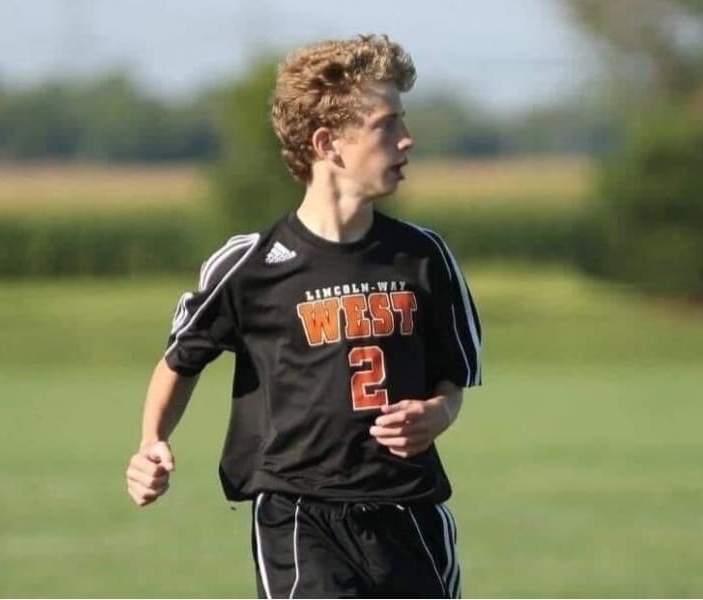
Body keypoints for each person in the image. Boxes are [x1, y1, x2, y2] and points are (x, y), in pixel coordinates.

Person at [125, 34, 482, 599]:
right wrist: (151, 441)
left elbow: (453, 379)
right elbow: (181, 359)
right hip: (300, 518)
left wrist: (437, 413)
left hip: (409, 515)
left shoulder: (424, 257)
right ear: (328, 143)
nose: (407, 139)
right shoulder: (250, 265)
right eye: (386, 125)